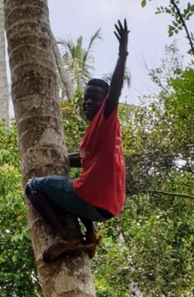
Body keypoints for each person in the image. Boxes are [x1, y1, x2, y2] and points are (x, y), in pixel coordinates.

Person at [25, 19, 129, 262]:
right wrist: (61, 159)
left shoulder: (107, 119)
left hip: (95, 202)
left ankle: (64, 238)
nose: (88, 103)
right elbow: (82, 161)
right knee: (75, 184)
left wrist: (122, 53)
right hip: (106, 207)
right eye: (86, 99)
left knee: (34, 186)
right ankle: (90, 234)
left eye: (95, 99)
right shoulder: (96, 135)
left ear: (105, 103)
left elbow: (115, 90)